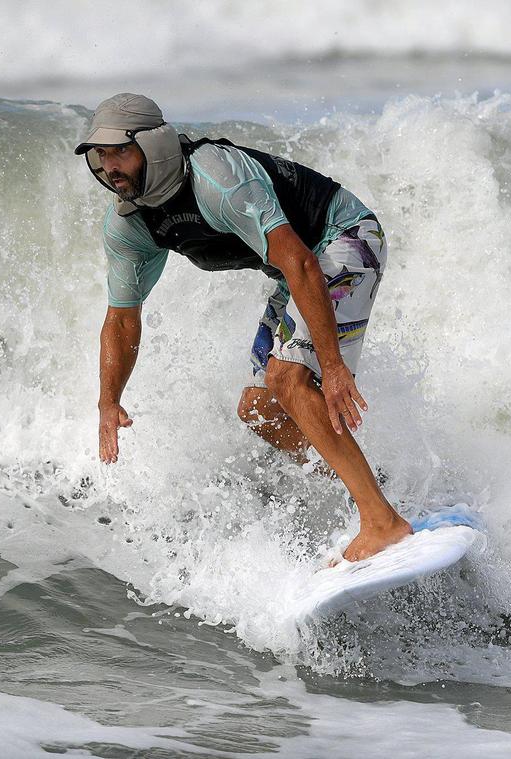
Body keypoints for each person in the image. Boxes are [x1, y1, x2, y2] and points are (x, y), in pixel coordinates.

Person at [76, 93, 411, 561]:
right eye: (101, 155)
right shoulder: (130, 226)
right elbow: (121, 318)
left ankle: (381, 521)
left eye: (121, 152)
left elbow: (300, 260)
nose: (111, 166)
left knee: (287, 378)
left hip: (344, 239)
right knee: (259, 409)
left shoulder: (217, 178)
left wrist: (333, 367)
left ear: (154, 146)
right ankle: (379, 493)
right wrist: (108, 401)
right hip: (296, 270)